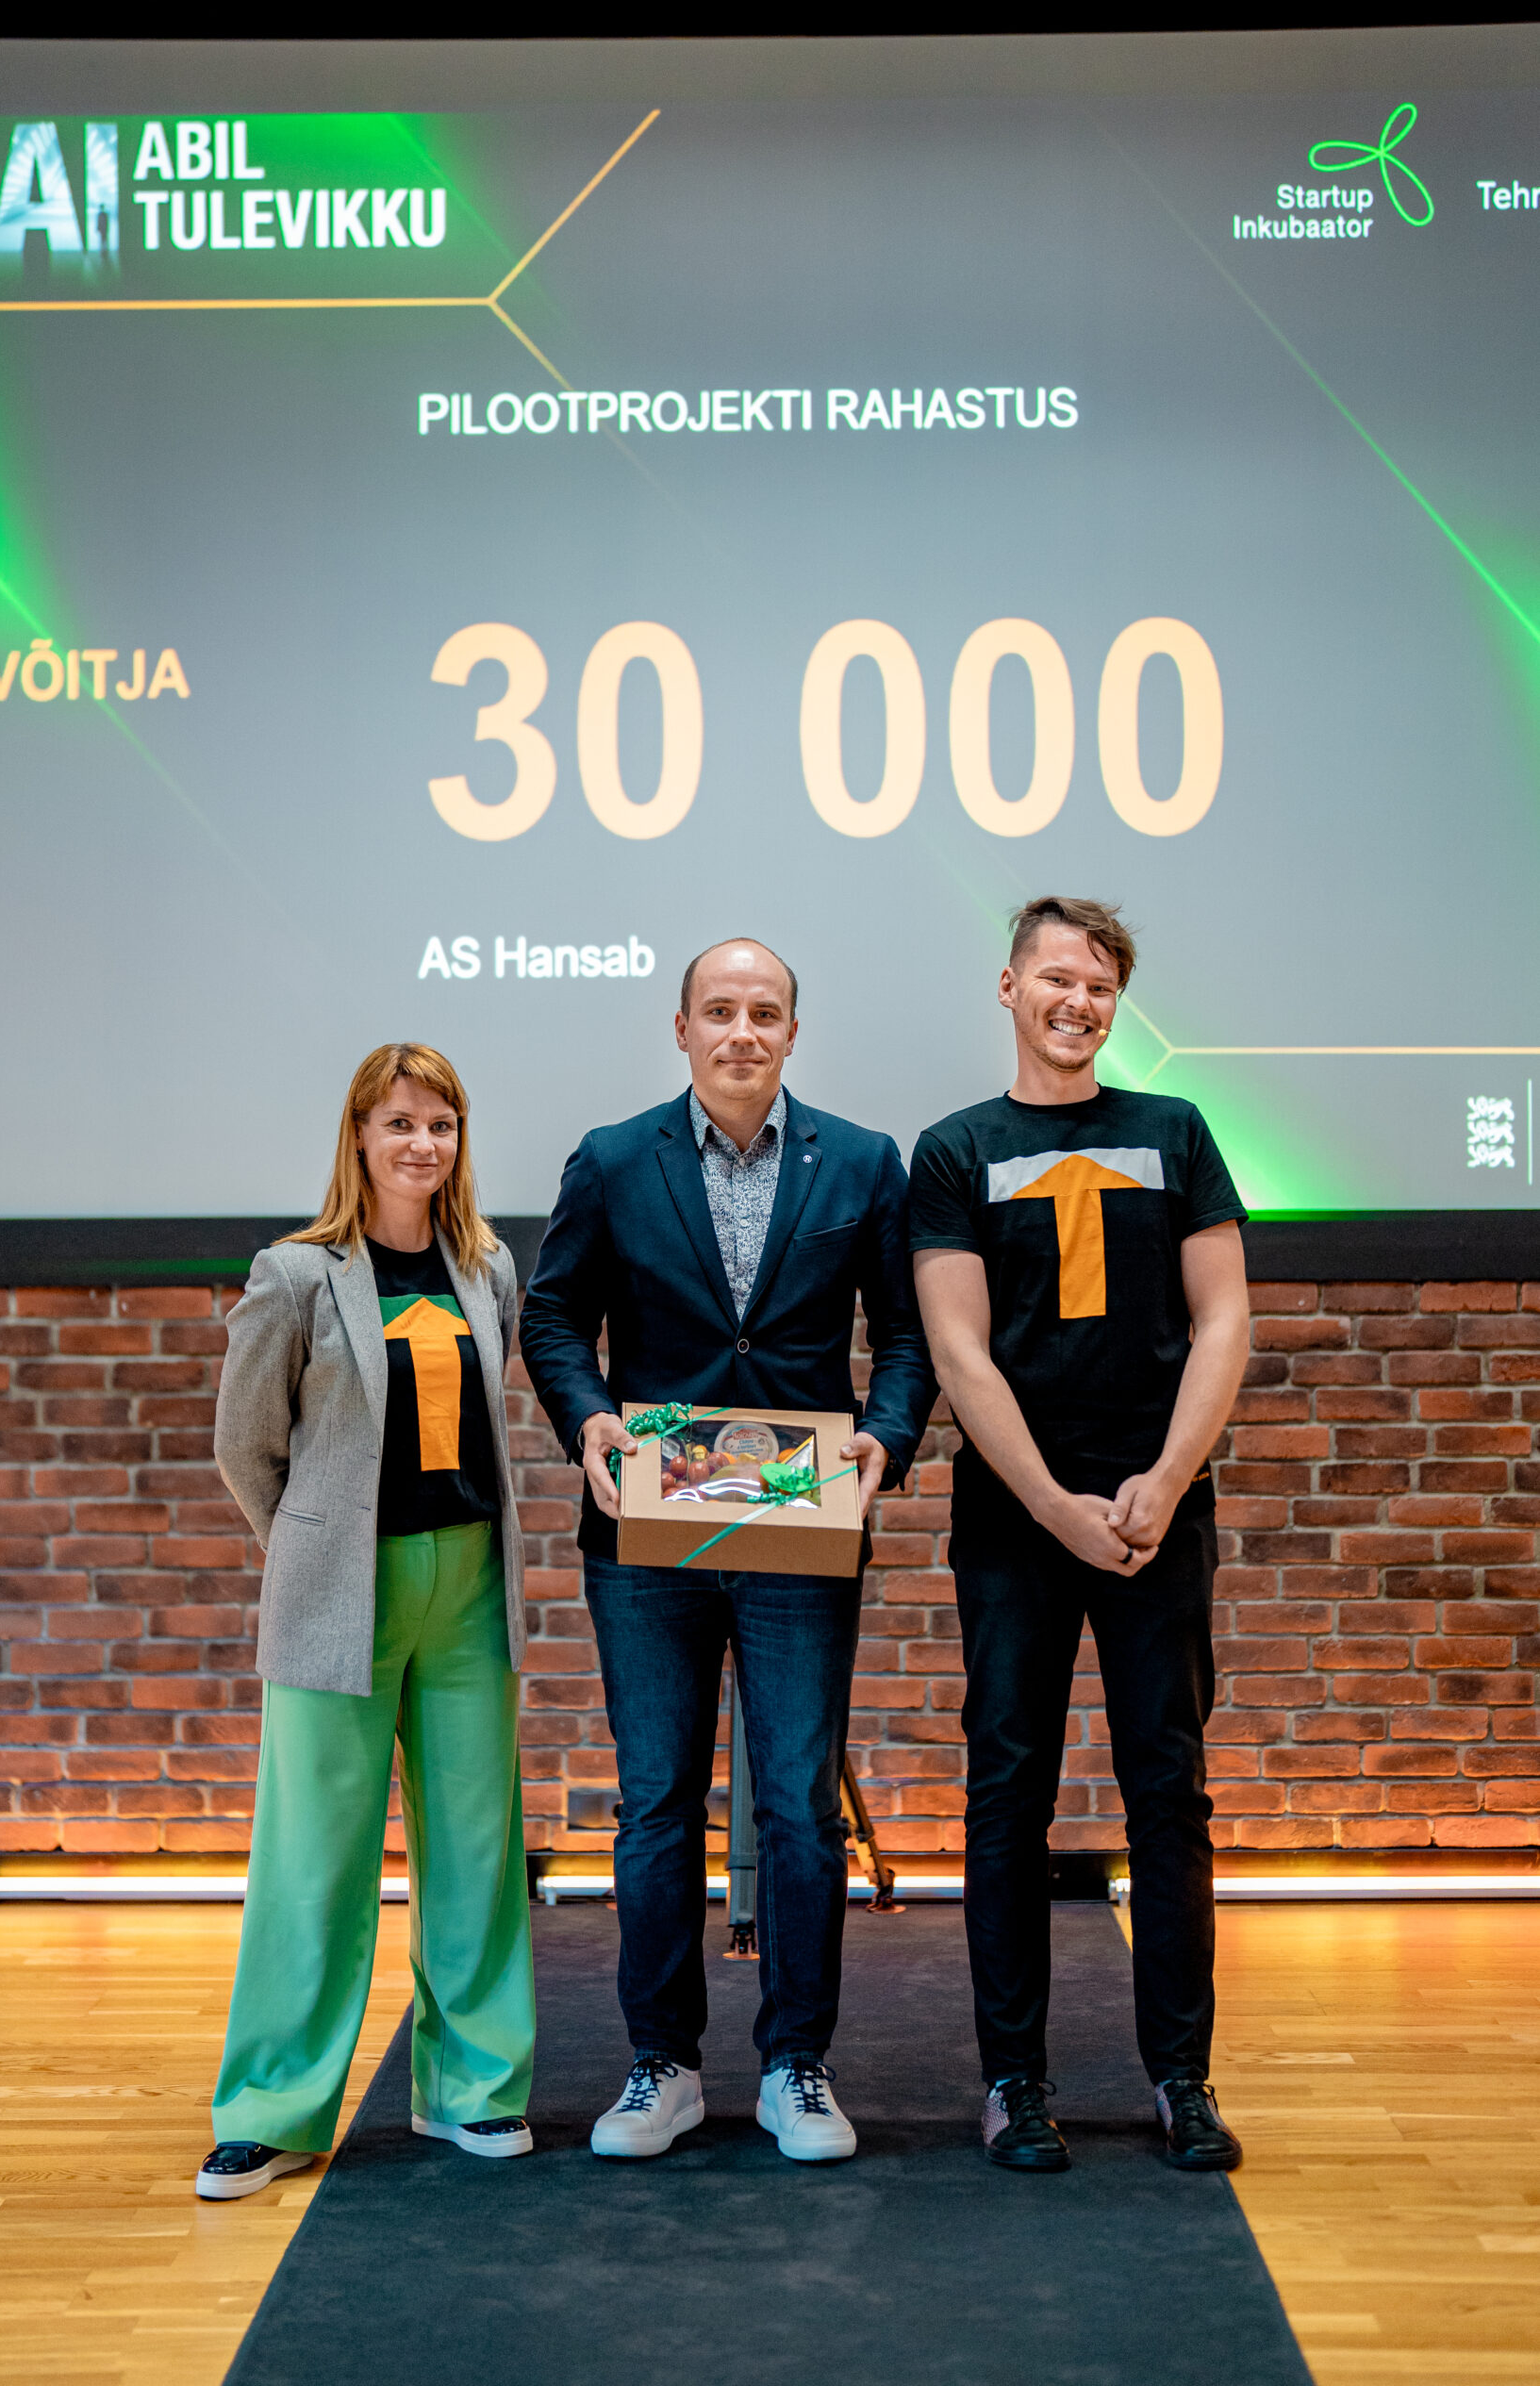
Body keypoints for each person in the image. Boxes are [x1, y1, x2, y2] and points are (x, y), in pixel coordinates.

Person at [520, 938, 936, 2163]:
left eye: (763, 1012)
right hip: (647, 1526)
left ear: (792, 1032)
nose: (741, 1031)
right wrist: (587, 1419)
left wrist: (885, 1434)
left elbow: (906, 1334)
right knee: (656, 1802)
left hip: (801, 1516)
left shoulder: (860, 1161)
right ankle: (663, 2064)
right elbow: (552, 1314)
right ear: (682, 1028)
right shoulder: (612, 1158)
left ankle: (796, 2063)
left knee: (799, 1806)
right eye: (719, 1011)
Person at [909, 898, 1250, 2175]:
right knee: (1007, 1791)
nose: (1078, 1002)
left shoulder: (1175, 1131)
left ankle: (1181, 2079)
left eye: (1099, 986)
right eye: (1056, 978)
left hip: (1159, 1510)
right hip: (1015, 1518)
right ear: (1009, 988)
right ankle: (1014, 2082)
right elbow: (957, 1349)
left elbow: (1223, 1319)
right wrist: (1053, 1503)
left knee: (1168, 1788)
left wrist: (1166, 1477)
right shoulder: (955, 1150)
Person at [195, 1043, 535, 2198]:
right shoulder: (295, 1274)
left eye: (440, 1123)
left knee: (477, 1849)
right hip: (338, 1590)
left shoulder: (485, 1266)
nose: (421, 1143)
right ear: (358, 1135)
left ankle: (475, 2088)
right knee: (313, 1856)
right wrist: (313, 1546)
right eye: (399, 1122)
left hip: (469, 1584)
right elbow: (245, 1445)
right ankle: (273, 2109)